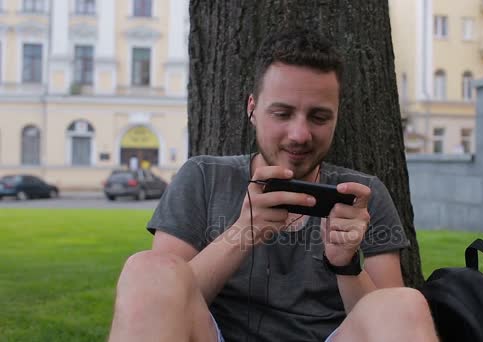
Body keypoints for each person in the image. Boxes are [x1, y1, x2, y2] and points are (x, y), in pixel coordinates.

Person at [109, 28, 437, 342]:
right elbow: (166, 301)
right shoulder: (203, 177)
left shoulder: (361, 196)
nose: (299, 135)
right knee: (149, 269)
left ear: (337, 117)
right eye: (282, 113)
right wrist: (243, 233)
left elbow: (387, 318)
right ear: (252, 108)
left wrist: (345, 264)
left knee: (404, 303)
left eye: (319, 117)